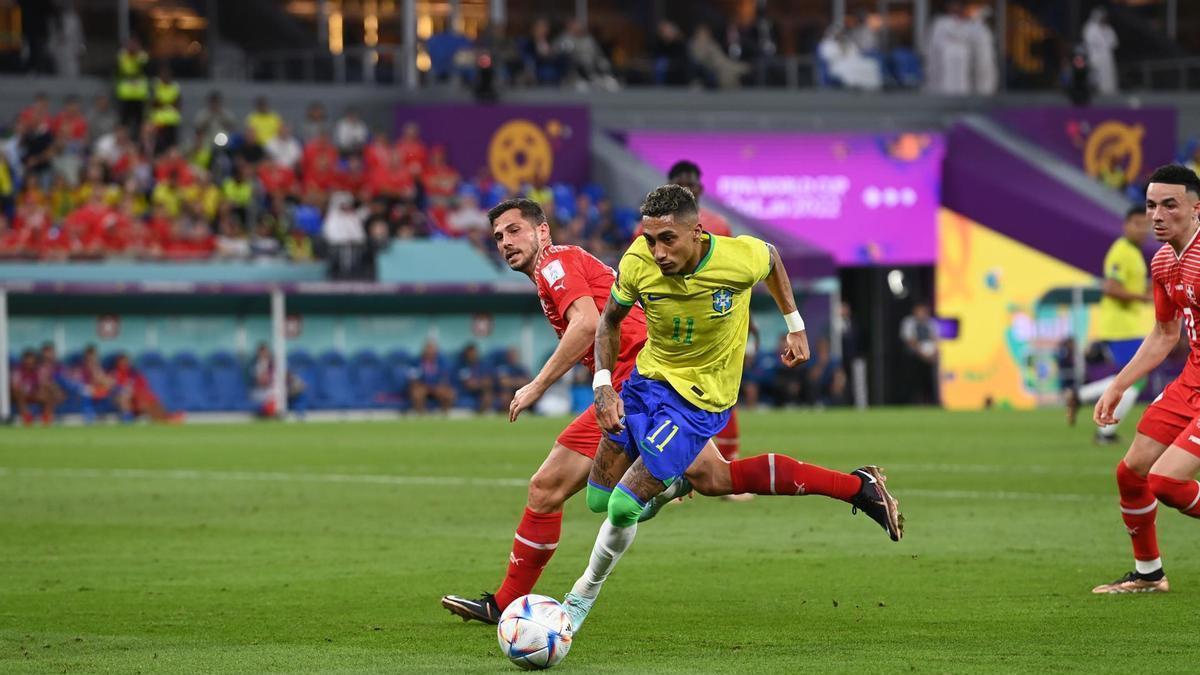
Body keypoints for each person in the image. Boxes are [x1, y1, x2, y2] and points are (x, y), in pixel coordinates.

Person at [560, 185, 903, 632]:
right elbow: (609, 322)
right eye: (650, 239)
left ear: (696, 232)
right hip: (646, 385)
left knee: (623, 508)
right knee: (599, 499)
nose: (658, 251)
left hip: (698, 402)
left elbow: (773, 258)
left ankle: (578, 599)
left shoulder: (737, 258)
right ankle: (856, 486)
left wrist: (794, 325)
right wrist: (604, 384)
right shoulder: (637, 263)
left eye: (668, 239)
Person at [440, 197, 652, 624]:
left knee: (562, 489)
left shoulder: (554, 263)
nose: (504, 242)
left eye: (514, 230)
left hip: (636, 381)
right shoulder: (557, 268)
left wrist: (537, 384)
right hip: (636, 378)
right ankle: (502, 605)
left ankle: (669, 476)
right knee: (547, 489)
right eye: (498, 236)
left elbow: (588, 325)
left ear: (542, 231)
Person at [1092, 165, 1200, 594]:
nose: (1157, 214)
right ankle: (1149, 574)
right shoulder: (1162, 261)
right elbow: (1164, 333)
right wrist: (1118, 385)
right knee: (1132, 472)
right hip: (1193, 378)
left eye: (1169, 205)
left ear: (1196, 208)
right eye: (1152, 205)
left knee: (1167, 482)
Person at [1070, 206, 1152, 442]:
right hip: (1121, 328)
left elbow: (1132, 288)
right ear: (1126, 225)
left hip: (1130, 326)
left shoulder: (1134, 253)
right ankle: (1104, 430)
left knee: (1131, 378)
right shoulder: (1121, 251)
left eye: (1145, 224)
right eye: (1137, 224)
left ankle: (1080, 396)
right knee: (1134, 379)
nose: (1142, 229)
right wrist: (1144, 297)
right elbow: (1111, 288)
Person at [900, 303, 939, 405]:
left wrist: (932, 353)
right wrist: (921, 352)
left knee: (928, 382)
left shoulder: (930, 323)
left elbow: (935, 339)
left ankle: (931, 402)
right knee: (912, 381)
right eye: (919, 311)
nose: (921, 313)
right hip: (913, 358)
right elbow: (909, 340)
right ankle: (912, 402)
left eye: (923, 311)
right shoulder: (909, 322)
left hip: (928, 358)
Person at [1083, 8, 1118, 96]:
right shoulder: (1090, 28)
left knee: (1108, 75)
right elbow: (1089, 41)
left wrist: (1106, 43)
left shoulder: (1108, 28)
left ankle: (1108, 91)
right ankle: (1095, 91)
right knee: (1095, 75)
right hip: (1095, 56)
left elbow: (1114, 42)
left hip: (1106, 56)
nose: (1103, 19)